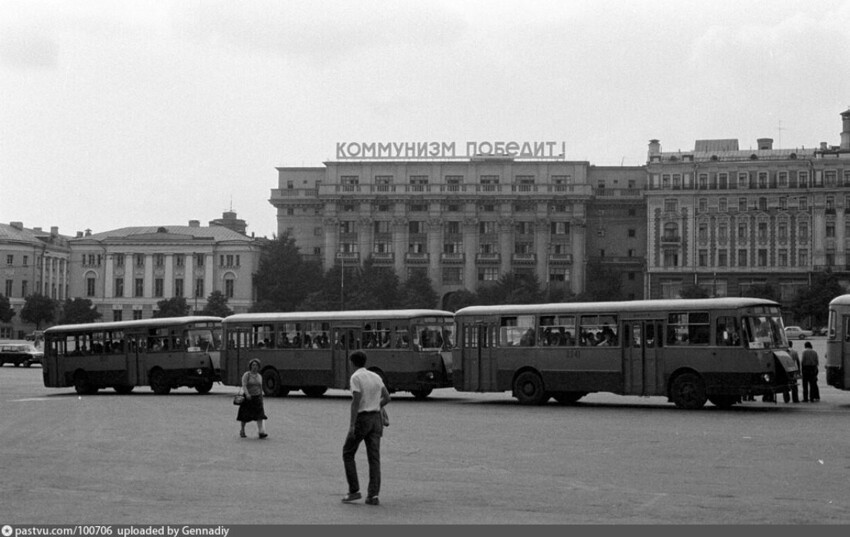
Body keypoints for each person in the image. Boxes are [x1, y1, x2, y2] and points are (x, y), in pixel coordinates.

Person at [342, 351, 390, 506]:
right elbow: (387, 397)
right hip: (376, 419)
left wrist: (351, 425)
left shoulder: (356, 377)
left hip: (363, 419)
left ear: (352, 363)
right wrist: (377, 405)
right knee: (374, 458)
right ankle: (373, 495)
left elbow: (355, 402)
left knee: (348, 452)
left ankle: (354, 490)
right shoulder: (376, 376)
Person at [237, 358, 268, 438]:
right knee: (245, 416)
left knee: (260, 415)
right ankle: (242, 430)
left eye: (256, 365)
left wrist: (261, 397)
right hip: (248, 398)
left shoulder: (259, 376)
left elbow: (260, 387)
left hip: (257, 398)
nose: (255, 366)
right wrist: (247, 394)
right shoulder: (246, 375)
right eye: (253, 365)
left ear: (258, 367)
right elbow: (244, 385)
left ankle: (261, 432)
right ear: (250, 366)